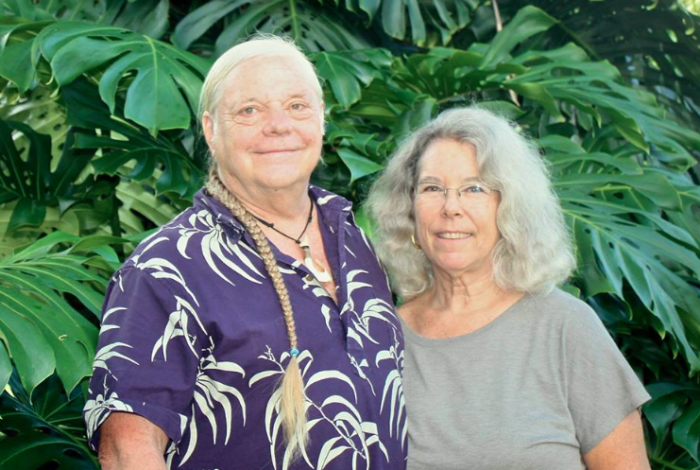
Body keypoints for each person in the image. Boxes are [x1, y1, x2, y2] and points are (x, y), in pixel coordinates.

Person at [83, 35, 406, 470]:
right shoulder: (166, 268)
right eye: (249, 110)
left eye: (297, 105)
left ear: (322, 120)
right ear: (211, 130)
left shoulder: (353, 238)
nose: (278, 125)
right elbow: (128, 451)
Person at [367, 106, 651, 470]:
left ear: (511, 208)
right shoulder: (380, 338)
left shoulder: (567, 328)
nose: (451, 207)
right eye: (432, 188)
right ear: (408, 209)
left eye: (475, 188)